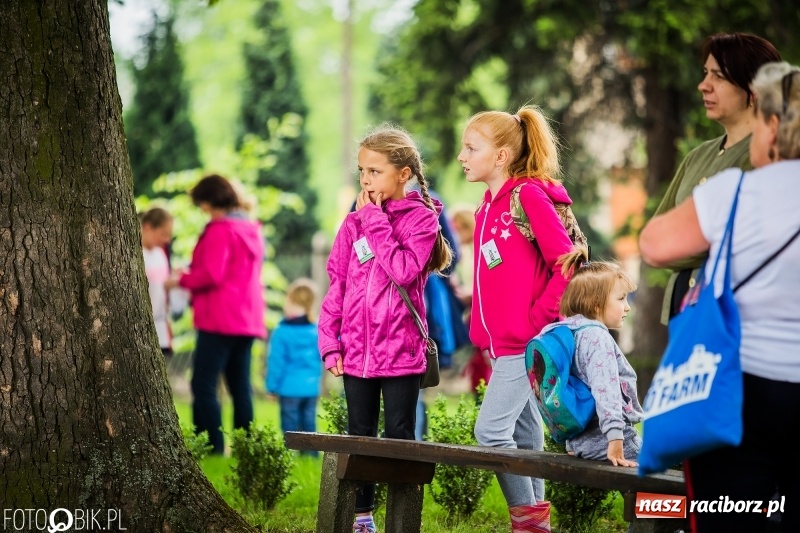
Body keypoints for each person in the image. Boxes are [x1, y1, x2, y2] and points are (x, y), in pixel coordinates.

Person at [639, 61, 800, 533]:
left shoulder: (734, 191)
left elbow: (654, 244)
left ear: (771, 125)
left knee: (728, 516)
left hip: (738, 390)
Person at [319, 124, 452, 533]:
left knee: (398, 437)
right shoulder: (352, 223)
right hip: (356, 354)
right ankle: (361, 516)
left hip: (401, 354)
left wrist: (374, 219)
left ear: (404, 174)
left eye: (374, 171)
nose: (365, 180)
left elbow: (403, 270)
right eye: (362, 171)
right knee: (358, 435)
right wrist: (330, 343)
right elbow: (337, 283)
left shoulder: (422, 221)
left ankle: (401, 517)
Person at [459, 105, 576, 532]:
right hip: (501, 344)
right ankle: (536, 526)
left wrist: (537, 321)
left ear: (503, 155)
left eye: (471, 147)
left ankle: (527, 524)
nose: (462, 156)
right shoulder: (485, 206)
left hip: (524, 341)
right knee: (526, 436)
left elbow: (567, 261)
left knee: (490, 433)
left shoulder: (526, 196)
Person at [653, 32, 780, 324]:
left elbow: (750, 244)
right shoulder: (698, 156)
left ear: (756, 89)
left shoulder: (772, 158)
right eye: (705, 74)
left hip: (737, 320)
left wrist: (683, 242)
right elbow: (656, 237)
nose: (703, 85)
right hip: (683, 317)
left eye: (719, 77)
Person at [166, 174, 266, 456]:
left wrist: (181, 280)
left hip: (219, 318)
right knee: (240, 387)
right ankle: (247, 450)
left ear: (209, 201)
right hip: (246, 320)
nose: (203, 210)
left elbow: (211, 273)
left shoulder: (220, 230)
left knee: (203, 384)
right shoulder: (250, 229)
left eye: (202, 204)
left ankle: (210, 447)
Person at [539, 247, 642, 467]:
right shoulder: (597, 337)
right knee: (666, 492)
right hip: (609, 441)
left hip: (579, 442)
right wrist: (616, 439)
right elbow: (606, 388)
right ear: (596, 304)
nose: (627, 307)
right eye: (621, 299)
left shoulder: (568, 332)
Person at [266, 278, 321, 455]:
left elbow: (276, 363)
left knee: (290, 427)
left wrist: (271, 387)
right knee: (309, 425)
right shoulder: (317, 330)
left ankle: (290, 458)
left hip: (288, 389)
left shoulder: (281, 332)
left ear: (289, 301)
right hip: (311, 389)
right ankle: (310, 456)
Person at [140, 206, 175, 359]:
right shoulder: (137, 254)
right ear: (147, 228)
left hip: (159, 325)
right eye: (163, 234)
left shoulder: (160, 253)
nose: (166, 240)